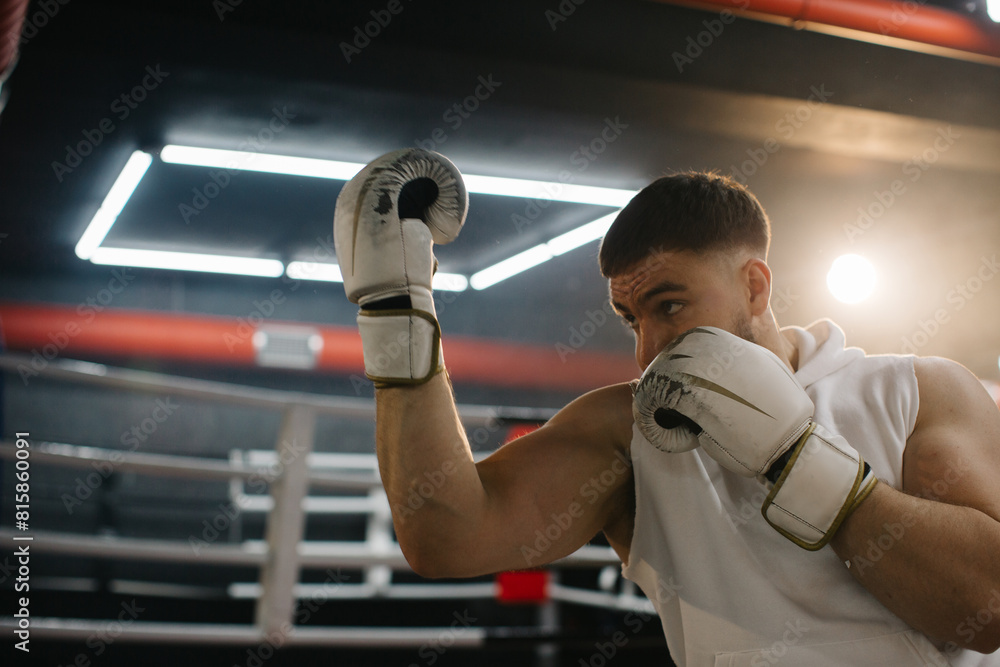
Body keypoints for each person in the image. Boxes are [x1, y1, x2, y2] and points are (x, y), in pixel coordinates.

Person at [333, 148, 1000, 666]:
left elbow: (989, 604)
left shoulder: (915, 391)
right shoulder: (630, 432)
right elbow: (446, 536)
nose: (650, 347)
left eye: (670, 306)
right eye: (631, 319)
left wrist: (801, 463)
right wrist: (397, 312)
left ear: (755, 286)